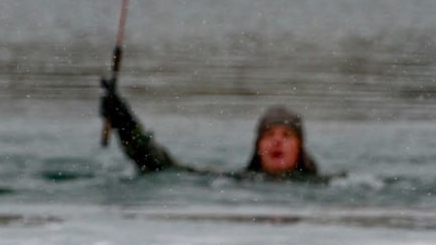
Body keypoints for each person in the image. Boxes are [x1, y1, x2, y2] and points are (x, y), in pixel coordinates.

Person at [99, 78, 328, 182]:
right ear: (257, 147)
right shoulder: (237, 182)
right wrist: (125, 123)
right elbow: (163, 168)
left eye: (286, 136)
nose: (277, 142)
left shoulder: (325, 187)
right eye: (269, 135)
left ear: (300, 147)